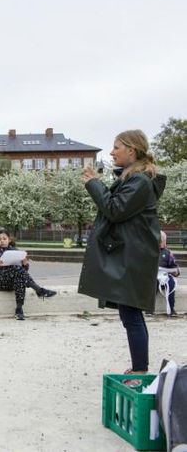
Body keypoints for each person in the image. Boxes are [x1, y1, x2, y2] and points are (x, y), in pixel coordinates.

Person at [79, 129, 166, 383]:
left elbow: (115, 210)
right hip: (133, 253)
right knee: (129, 313)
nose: (111, 152)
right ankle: (139, 367)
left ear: (132, 150)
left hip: (135, 256)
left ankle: (140, 370)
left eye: (117, 147)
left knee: (131, 314)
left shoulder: (139, 181)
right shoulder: (134, 179)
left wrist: (93, 184)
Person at [0, 231, 56, 321]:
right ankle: (39, 290)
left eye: (4, 239)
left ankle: (19, 309)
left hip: (11, 281)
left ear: (9, 240)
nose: (2, 241)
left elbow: (24, 271)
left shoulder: (15, 250)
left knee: (19, 277)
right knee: (17, 271)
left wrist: (25, 264)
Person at [157, 231, 180, 317]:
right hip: (153, 276)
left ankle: (171, 309)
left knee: (171, 284)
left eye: (163, 240)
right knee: (151, 285)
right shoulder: (149, 251)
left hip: (164, 275)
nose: (163, 242)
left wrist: (175, 272)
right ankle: (149, 310)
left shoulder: (168, 253)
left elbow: (174, 266)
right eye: (161, 240)